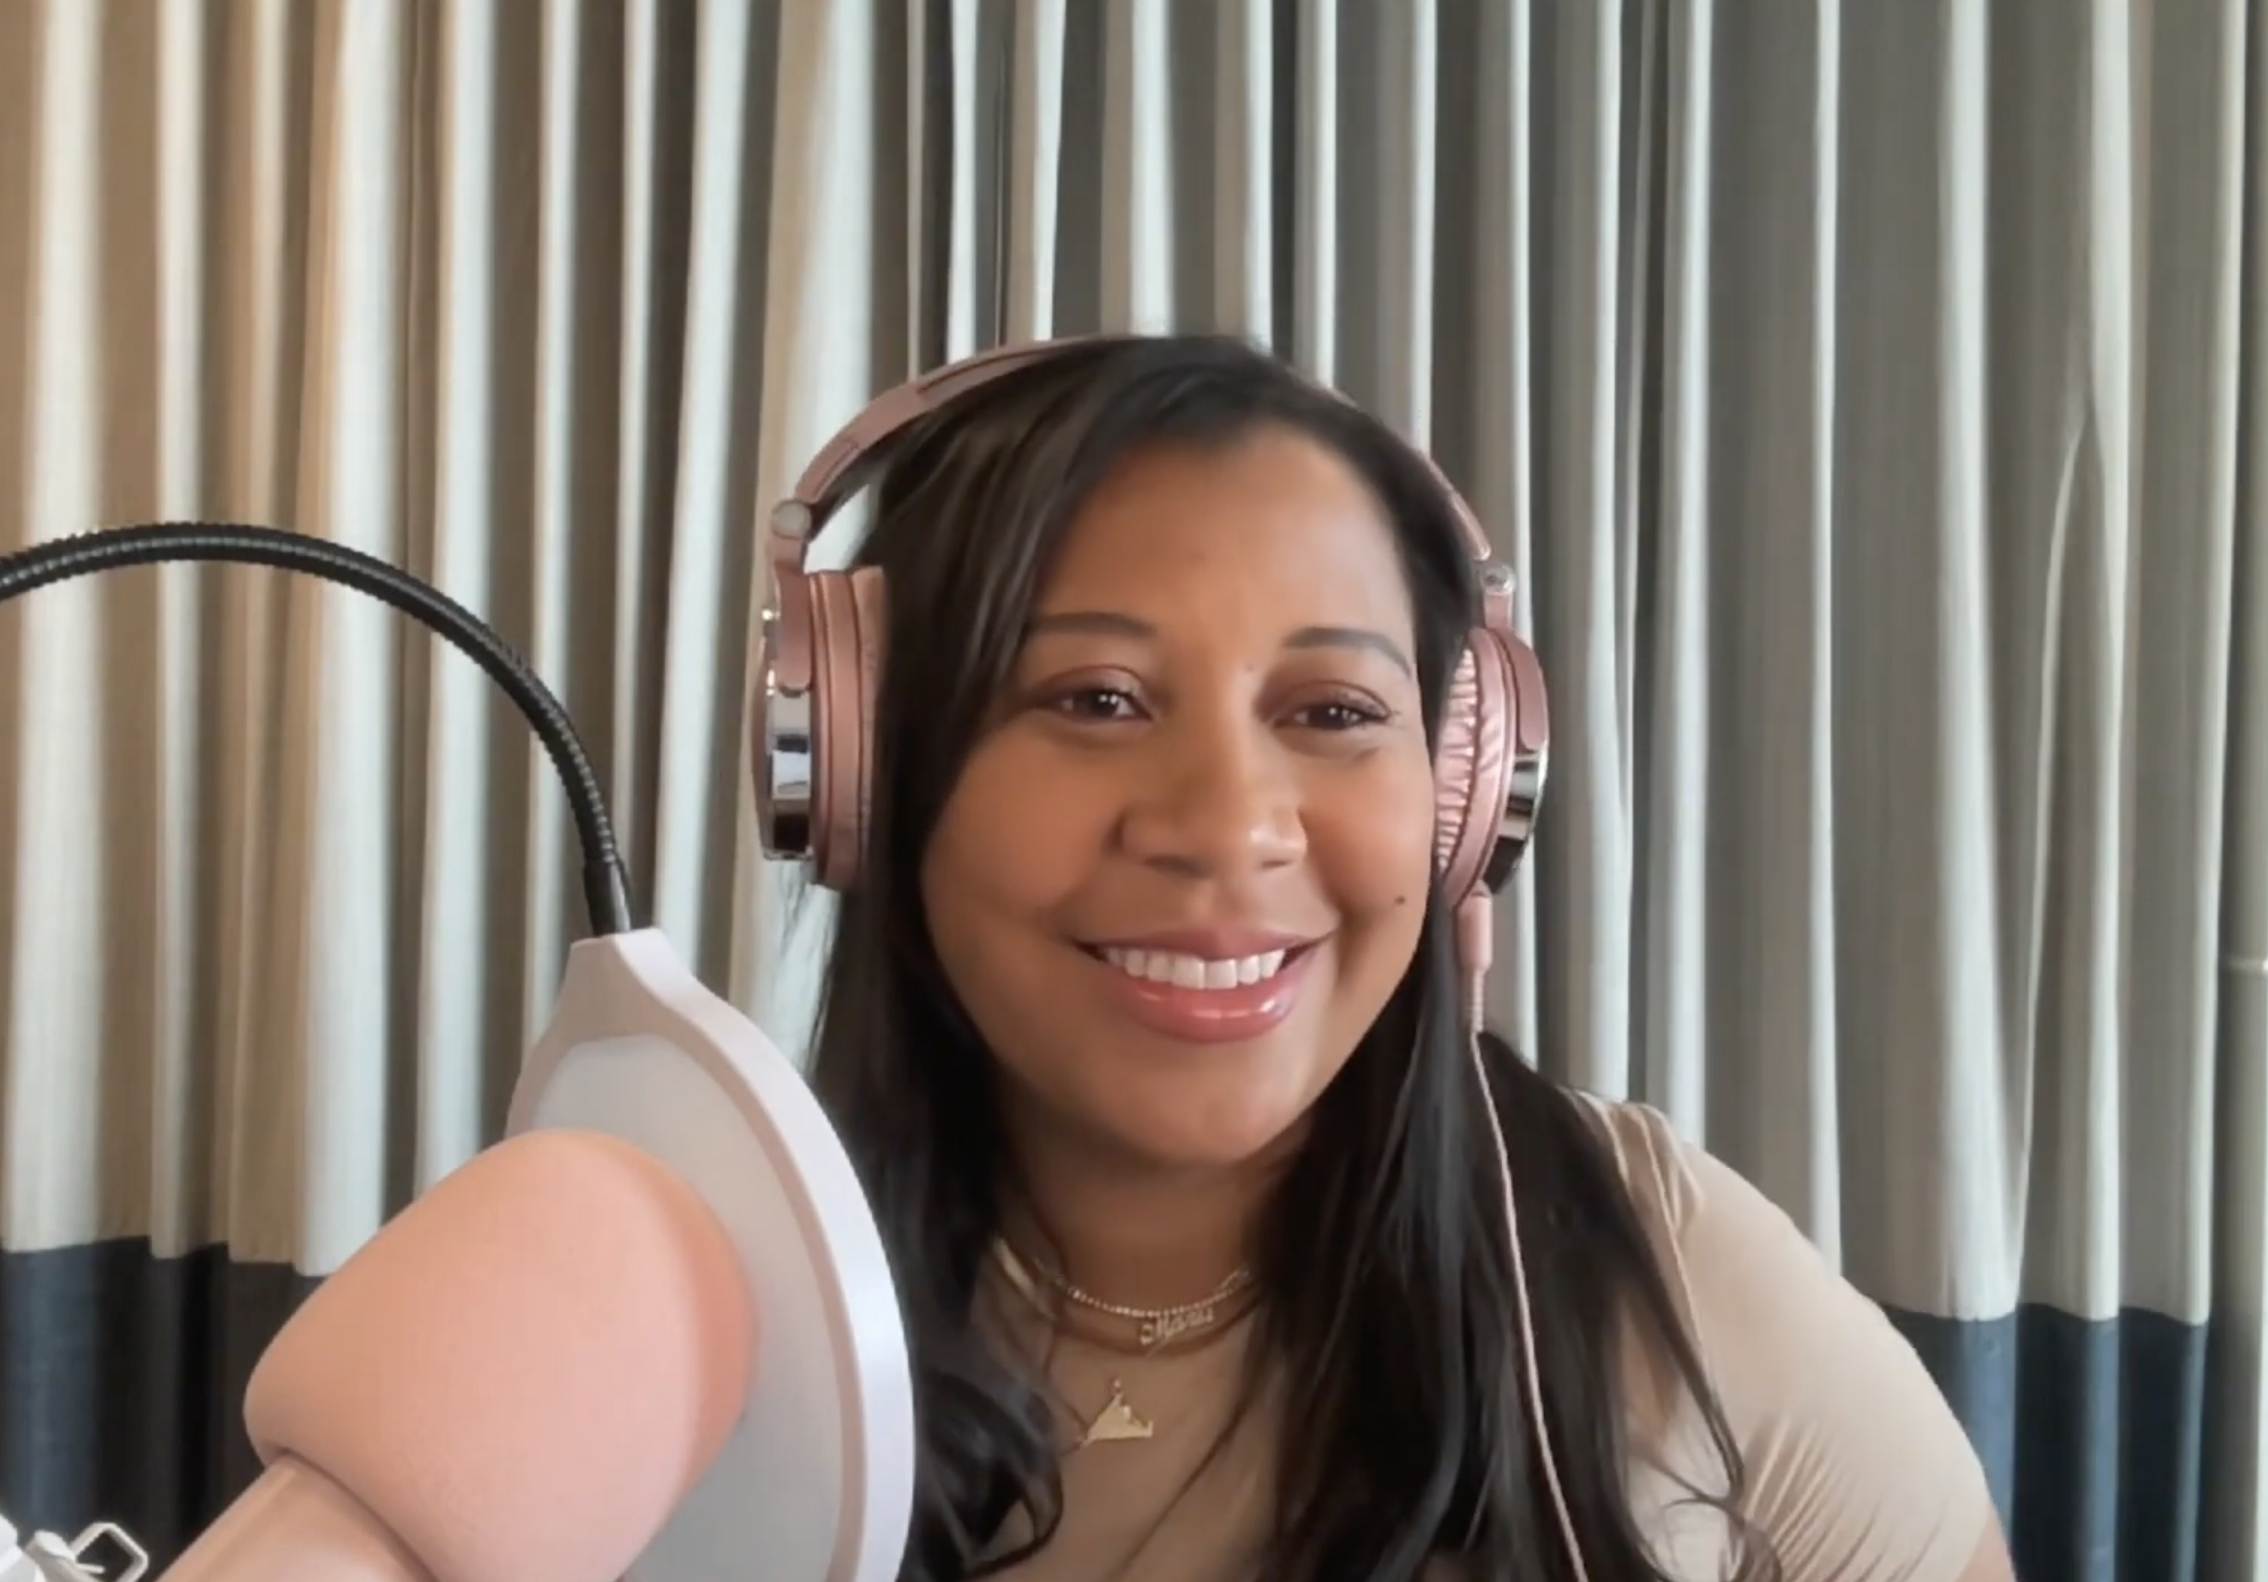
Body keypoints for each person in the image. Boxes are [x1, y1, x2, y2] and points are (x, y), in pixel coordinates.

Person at [774, 334, 2012, 1581]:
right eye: (1096, 697)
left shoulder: (1656, 1271)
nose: (1230, 827)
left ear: (1465, 796)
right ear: (872, 773)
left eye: (1335, 713)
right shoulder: (722, 1311)